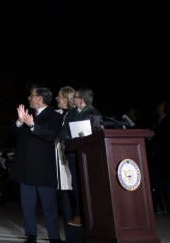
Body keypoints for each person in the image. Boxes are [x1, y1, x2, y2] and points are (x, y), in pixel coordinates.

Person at [10, 85, 62, 243]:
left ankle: (54, 237)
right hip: (26, 169)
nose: (28, 98)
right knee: (27, 205)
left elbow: (50, 136)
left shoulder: (54, 116)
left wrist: (32, 125)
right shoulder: (27, 114)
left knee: (49, 206)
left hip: (44, 169)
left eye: (31, 95)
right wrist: (19, 122)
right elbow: (13, 133)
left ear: (40, 98)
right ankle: (31, 234)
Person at [61, 87, 104, 227]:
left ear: (82, 100)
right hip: (73, 155)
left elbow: (98, 135)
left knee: (88, 186)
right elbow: (64, 132)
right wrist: (70, 139)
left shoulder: (94, 113)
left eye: (76, 97)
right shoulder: (71, 113)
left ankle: (92, 216)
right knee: (76, 187)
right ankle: (78, 215)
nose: (73, 99)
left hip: (88, 156)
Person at [54, 85, 75, 223]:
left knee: (69, 192)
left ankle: (73, 223)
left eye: (60, 97)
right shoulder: (60, 113)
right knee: (63, 193)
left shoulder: (72, 115)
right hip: (60, 156)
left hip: (68, 157)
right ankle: (69, 223)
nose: (56, 98)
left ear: (67, 99)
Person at [148, 98, 170, 214]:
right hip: (156, 156)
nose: (158, 107)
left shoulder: (167, 121)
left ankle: (167, 206)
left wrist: (154, 137)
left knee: (166, 182)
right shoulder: (156, 120)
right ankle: (161, 207)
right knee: (158, 182)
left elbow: (163, 137)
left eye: (160, 105)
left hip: (165, 155)